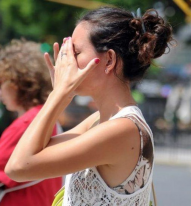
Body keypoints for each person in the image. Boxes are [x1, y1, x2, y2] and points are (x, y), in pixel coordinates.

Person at [5, 7, 173, 206]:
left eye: (75, 52)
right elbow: (36, 151)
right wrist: (61, 95)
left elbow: (18, 167)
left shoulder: (122, 129)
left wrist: (58, 94)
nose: (67, 62)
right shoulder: (98, 121)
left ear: (109, 60)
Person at [0, 40, 62, 206]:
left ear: (18, 83)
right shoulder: (44, 117)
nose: (0, 92)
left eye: (2, 83)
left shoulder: (28, 123)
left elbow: (5, 172)